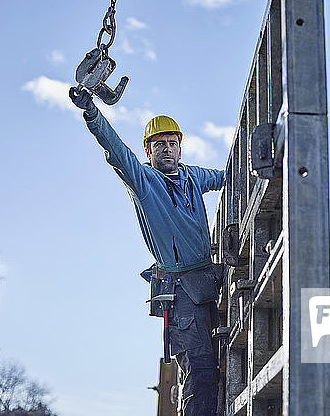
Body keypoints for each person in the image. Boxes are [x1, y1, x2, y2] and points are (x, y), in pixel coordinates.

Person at [69, 88, 224, 415]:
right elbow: (116, 152)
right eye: (158, 144)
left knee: (213, 369)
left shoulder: (193, 176)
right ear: (148, 150)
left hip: (205, 283)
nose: (166, 150)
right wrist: (92, 114)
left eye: (171, 143)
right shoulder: (144, 180)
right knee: (200, 372)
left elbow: (227, 176)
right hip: (181, 293)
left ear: (180, 147)